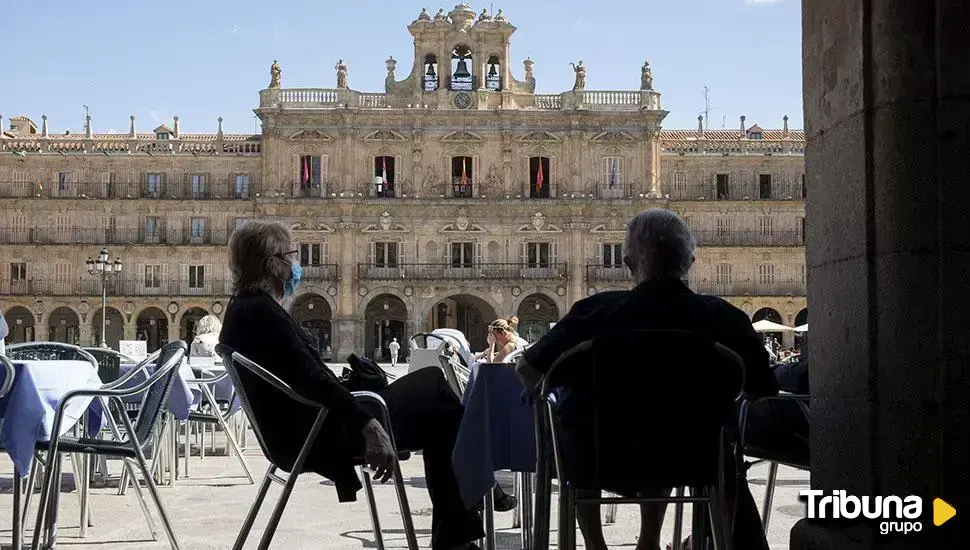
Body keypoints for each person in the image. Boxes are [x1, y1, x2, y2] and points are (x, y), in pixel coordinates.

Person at [515, 208, 778, 550]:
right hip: (693, 458)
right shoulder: (725, 318)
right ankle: (651, 541)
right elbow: (762, 388)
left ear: (627, 262)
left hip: (595, 457)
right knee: (686, 432)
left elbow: (528, 370)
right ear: (691, 261)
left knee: (578, 423)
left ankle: (595, 544)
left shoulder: (592, 312)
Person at [219, 221, 483, 550]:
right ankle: (459, 528)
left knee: (439, 408)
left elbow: (305, 376)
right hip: (320, 432)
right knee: (436, 390)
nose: (296, 264)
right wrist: (368, 424)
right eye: (291, 255)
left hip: (307, 429)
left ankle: (458, 528)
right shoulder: (262, 313)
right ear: (272, 264)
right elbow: (312, 379)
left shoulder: (246, 308)